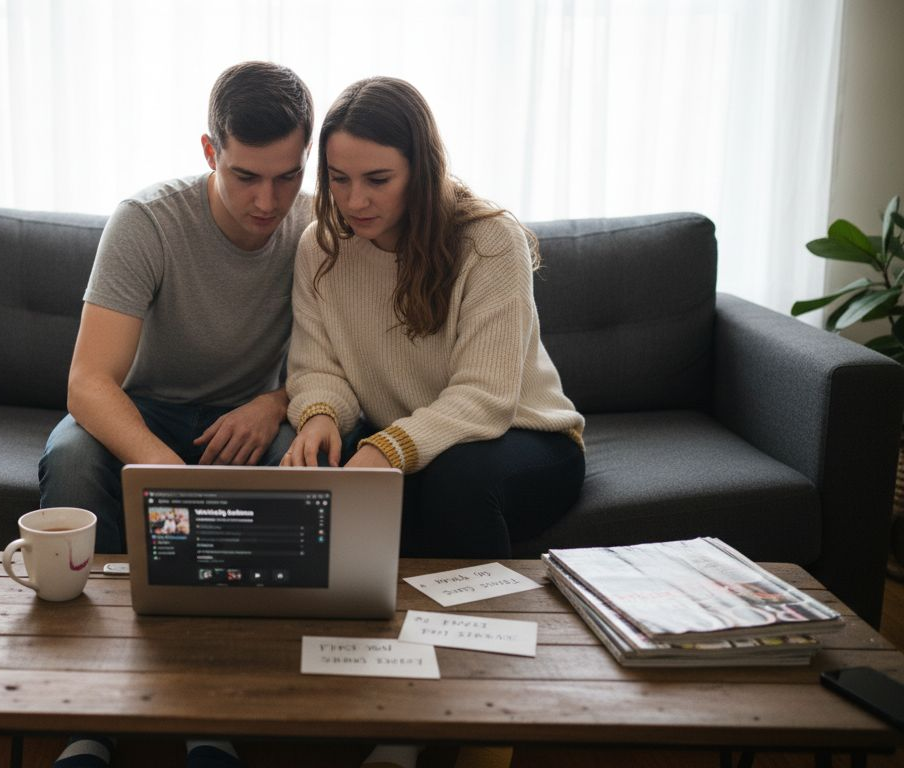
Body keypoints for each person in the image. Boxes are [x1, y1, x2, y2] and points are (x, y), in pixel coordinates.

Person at [280, 77, 585, 768]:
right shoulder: (319, 246)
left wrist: (387, 449)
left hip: (527, 440)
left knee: (446, 482)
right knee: (342, 478)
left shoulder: (488, 240)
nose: (355, 201)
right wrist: (321, 415)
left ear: (421, 166)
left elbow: (484, 397)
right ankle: (385, 707)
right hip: (417, 445)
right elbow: (316, 363)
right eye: (338, 179)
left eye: (378, 179)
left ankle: (483, 726)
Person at [42, 61, 315, 768]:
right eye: (246, 175)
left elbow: (340, 360)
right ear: (209, 152)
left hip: (250, 418)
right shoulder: (148, 221)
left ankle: (212, 716)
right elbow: (88, 382)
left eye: (287, 177)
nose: (267, 201)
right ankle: (86, 720)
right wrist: (160, 465)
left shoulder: (319, 229)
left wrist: (274, 400)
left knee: (304, 462)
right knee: (71, 458)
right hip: (146, 411)